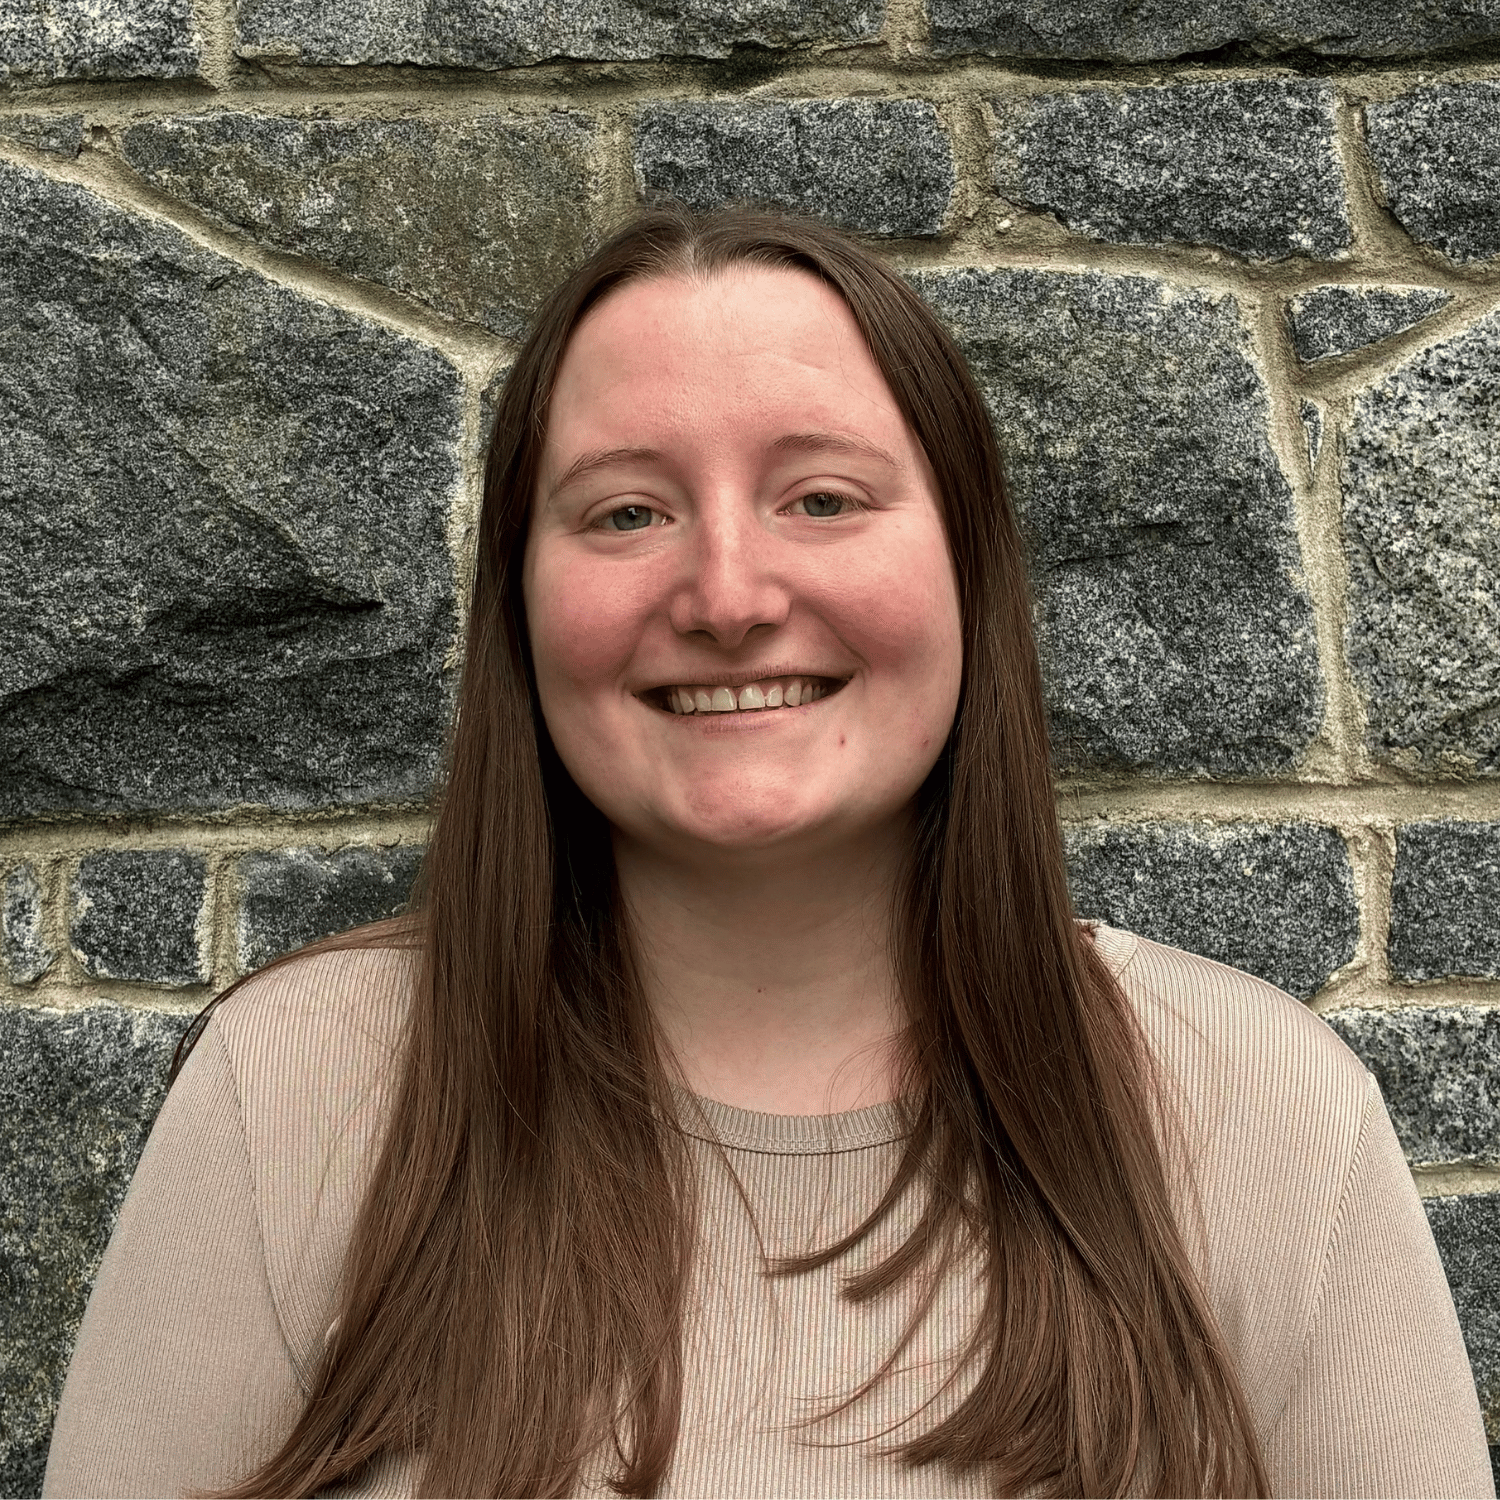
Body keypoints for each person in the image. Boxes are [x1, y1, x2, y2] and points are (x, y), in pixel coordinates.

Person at [42, 207, 1493, 1500]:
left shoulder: (1267, 1122)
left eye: (822, 498)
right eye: (626, 512)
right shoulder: (292, 1099)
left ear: (969, 569)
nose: (728, 593)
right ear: (520, 611)